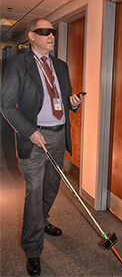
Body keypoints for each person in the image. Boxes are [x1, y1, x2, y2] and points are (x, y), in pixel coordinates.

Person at [1, 17, 85, 276]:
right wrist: (30, 132)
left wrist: (73, 103)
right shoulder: (17, 65)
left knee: (52, 184)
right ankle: (33, 249)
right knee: (34, 191)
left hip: (59, 135)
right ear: (31, 36)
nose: (51, 35)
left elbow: (63, 98)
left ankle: (42, 219)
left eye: (53, 31)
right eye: (44, 31)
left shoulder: (61, 65)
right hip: (34, 138)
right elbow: (6, 105)